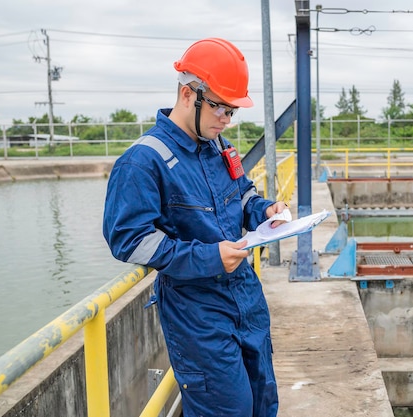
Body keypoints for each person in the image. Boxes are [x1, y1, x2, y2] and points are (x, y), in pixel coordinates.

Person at [103, 38, 283, 417]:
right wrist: (208, 257)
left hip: (245, 296)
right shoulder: (142, 161)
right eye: (219, 106)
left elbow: (244, 198)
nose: (226, 119)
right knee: (226, 409)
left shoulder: (219, 148)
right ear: (189, 94)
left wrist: (267, 211)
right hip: (197, 310)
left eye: (232, 110)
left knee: (262, 401)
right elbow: (129, 239)